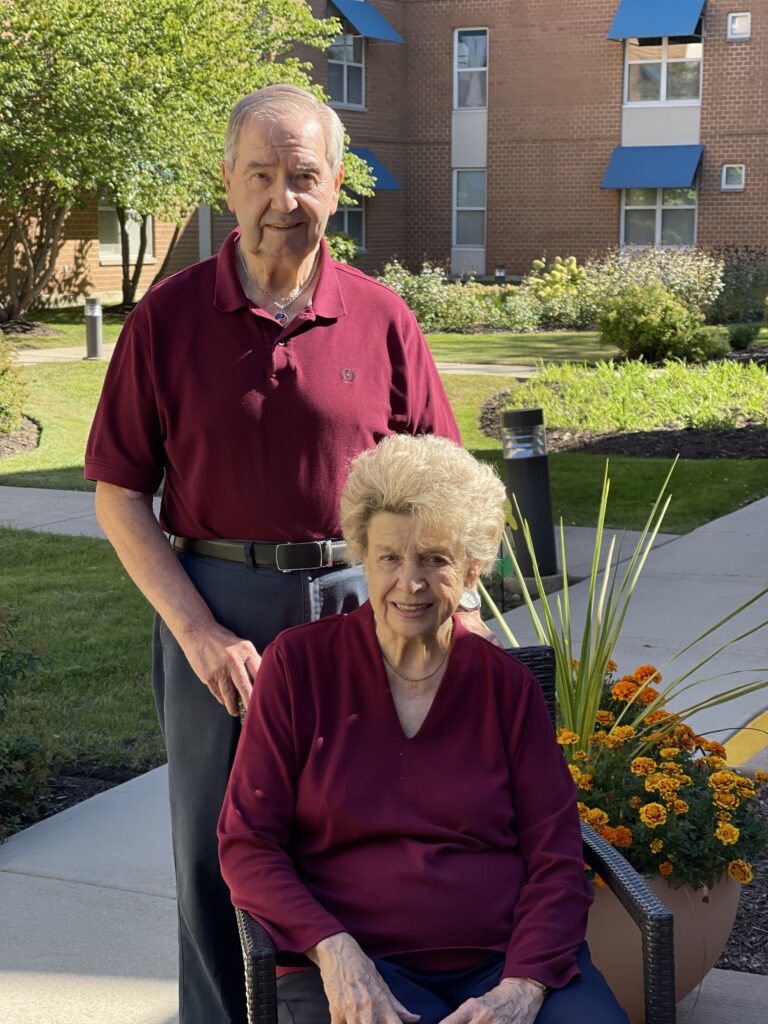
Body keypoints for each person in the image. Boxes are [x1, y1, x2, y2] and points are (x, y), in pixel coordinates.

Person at [84, 85, 463, 1024]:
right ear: (228, 180)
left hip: (363, 610)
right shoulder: (166, 322)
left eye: (304, 176)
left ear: (338, 185)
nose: (281, 199)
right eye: (262, 175)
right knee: (216, 853)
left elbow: (442, 491)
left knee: (370, 841)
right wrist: (197, 630)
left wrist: (459, 622)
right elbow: (119, 493)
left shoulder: (384, 319)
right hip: (219, 611)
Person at [218, 434, 628, 1024]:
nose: (409, 582)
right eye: (390, 557)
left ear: (472, 571)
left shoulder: (505, 686)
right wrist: (336, 955)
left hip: (502, 959)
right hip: (353, 959)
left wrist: (522, 986)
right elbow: (248, 842)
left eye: (434, 559)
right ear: (363, 556)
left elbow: (556, 854)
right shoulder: (298, 666)